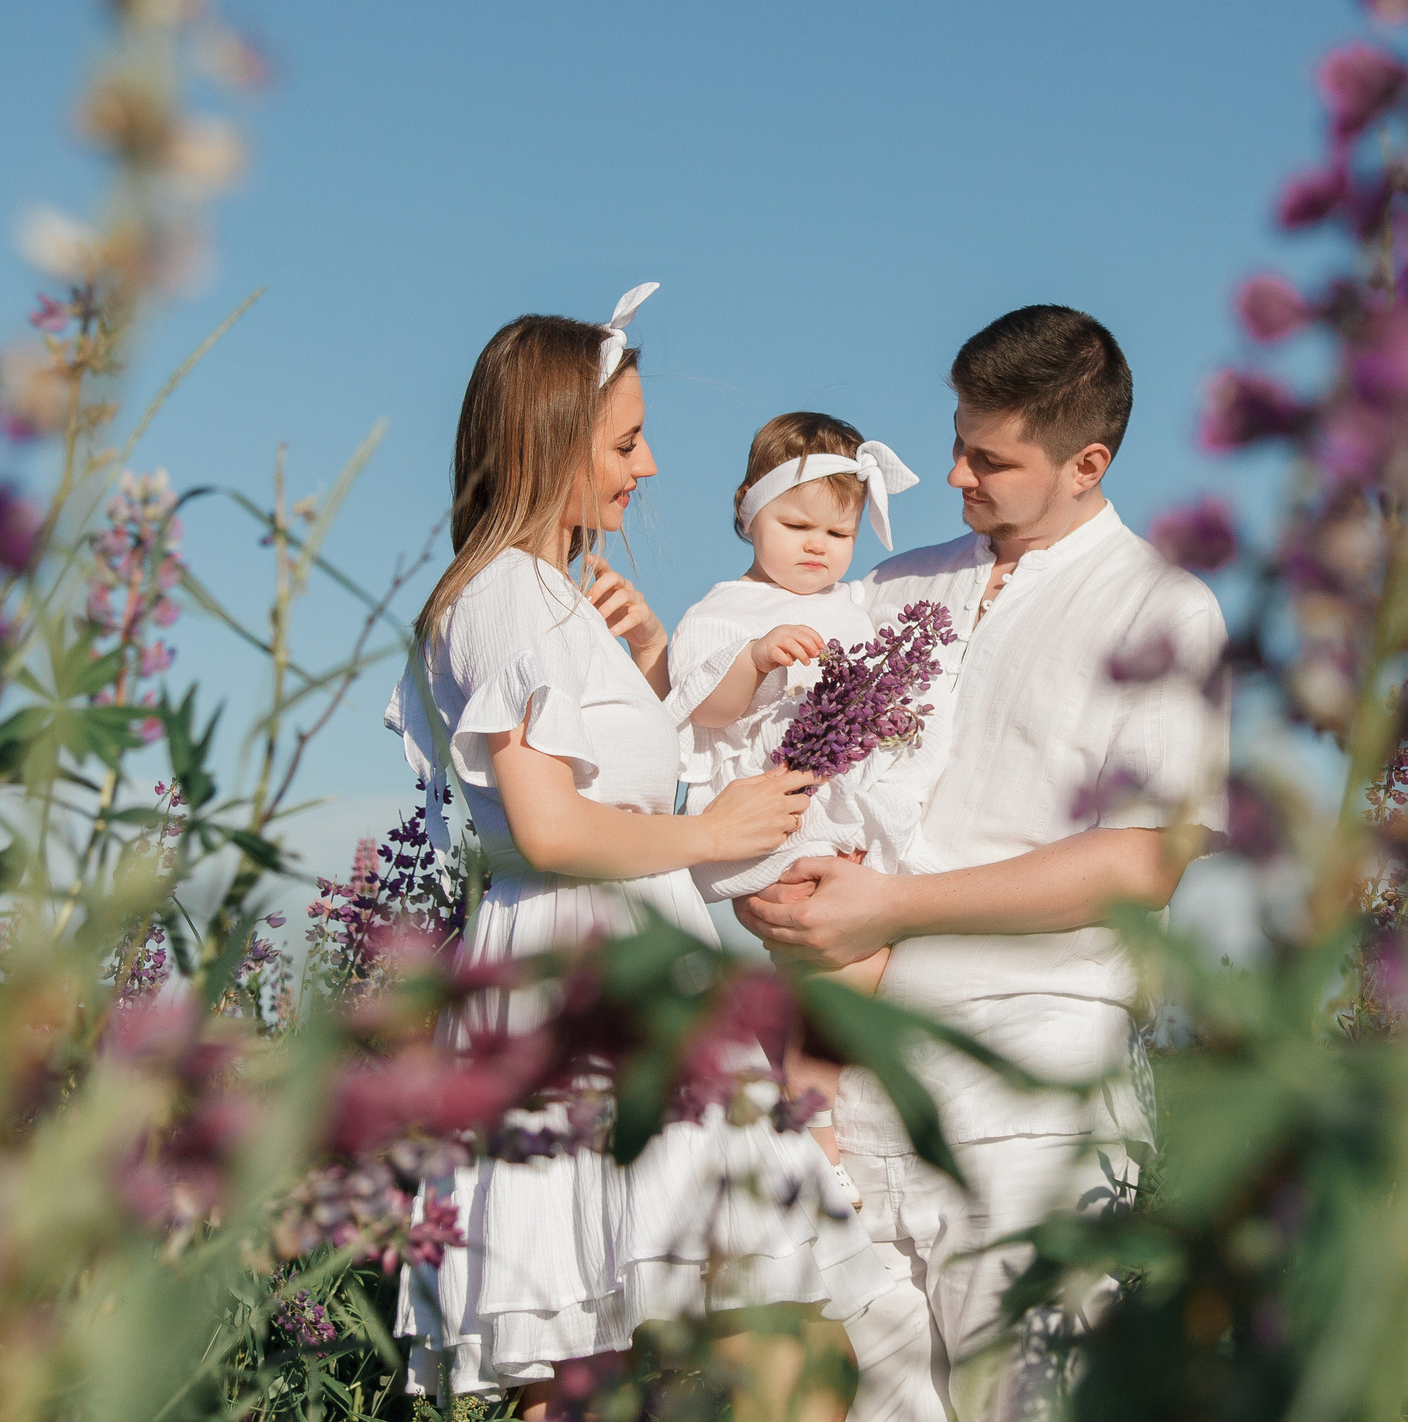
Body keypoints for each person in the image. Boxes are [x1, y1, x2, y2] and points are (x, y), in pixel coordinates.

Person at [386, 285, 890, 1416]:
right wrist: (713, 831)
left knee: (652, 1343)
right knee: (690, 1340)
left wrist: (657, 663)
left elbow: (616, 782)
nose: (649, 466)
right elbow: (550, 827)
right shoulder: (506, 595)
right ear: (549, 441)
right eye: (624, 443)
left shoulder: (552, 596)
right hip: (585, 972)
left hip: (629, 961)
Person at [737, 305, 1230, 1422]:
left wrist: (891, 907)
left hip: (1031, 1093)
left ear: (1086, 463)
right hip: (846, 1078)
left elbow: (1143, 865)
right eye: (957, 441)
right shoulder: (890, 588)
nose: (955, 473)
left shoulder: (1164, 608)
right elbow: (786, 769)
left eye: (991, 459)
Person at [666, 412, 940, 1213]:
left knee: (856, 971)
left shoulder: (855, 605)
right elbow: (703, 709)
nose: (818, 546)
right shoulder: (724, 609)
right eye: (797, 525)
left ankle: (793, 1096)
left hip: (852, 811)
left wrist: (891, 713)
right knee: (839, 965)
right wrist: (754, 659)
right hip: (780, 815)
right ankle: (813, 1129)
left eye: (839, 532)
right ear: (749, 509)